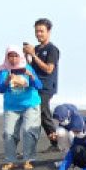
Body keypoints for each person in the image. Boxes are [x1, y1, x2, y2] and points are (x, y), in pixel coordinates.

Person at [0, 45, 43, 170]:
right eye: (10, 56)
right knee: (8, 133)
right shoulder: (3, 70)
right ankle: (11, 160)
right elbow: (0, 89)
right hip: (11, 106)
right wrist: (7, 80)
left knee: (28, 130)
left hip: (30, 104)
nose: (13, 59)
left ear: (20, 56)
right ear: (7, 57)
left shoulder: (27, 67)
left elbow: (39, 85)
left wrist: (31, 76)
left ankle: (28, 159)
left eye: (16, 55)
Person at [24, 18, 60, 151]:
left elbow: (49, 69)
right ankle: (56, 143)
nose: (38, 34)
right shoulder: (37, 49)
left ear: (48, 31)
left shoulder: (52, 49)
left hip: (46, 86)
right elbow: (32, 67)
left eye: (41, 31)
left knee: (42, 114)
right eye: (36, 31)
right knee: (41, 115)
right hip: (35, 85)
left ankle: (57, 143)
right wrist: (27, 55)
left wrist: (34, 55)